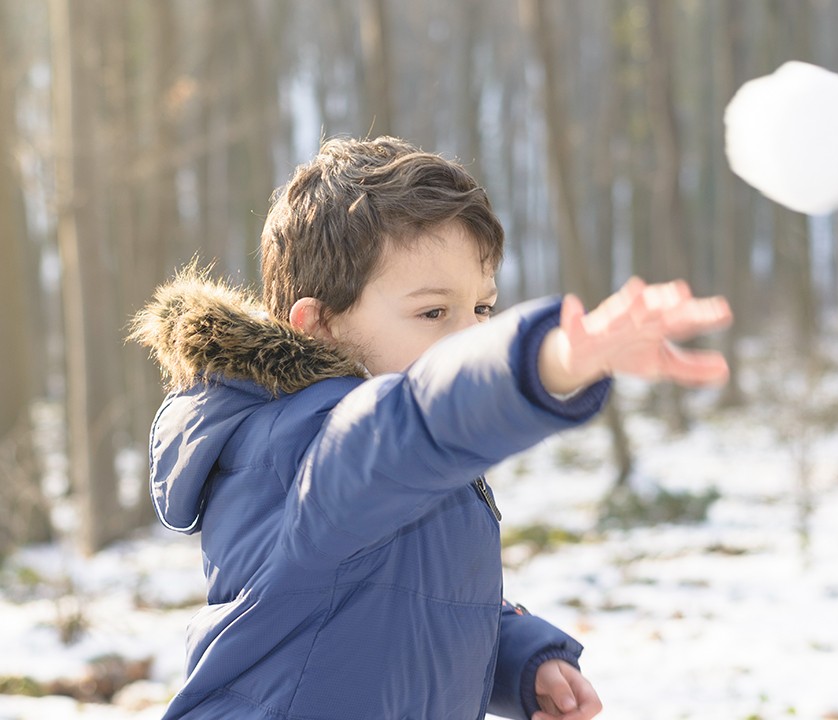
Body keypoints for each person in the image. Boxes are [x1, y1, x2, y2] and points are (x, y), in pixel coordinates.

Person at [131, 136, 732, 720]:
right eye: (433, 312)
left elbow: (398, 598)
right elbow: (412, 421)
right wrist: (553, 360)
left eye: (482, 308)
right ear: (320, 326)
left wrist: (519, 660)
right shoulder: (307, 445)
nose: (470, 335)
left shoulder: (397, 458)